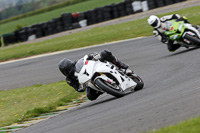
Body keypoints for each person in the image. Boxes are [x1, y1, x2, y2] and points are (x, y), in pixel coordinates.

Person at [58, 50, 129, 101]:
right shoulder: (69, 79)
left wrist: (94, 56)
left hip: (95, 68)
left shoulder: (77, 63)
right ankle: (103, 88)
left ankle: (120, 65)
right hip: (89, 82)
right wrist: (81, 87)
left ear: (71, 65)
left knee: (104, 53)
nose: (67, 72)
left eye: (67, 69)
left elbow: (87, 57)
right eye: (65, 71)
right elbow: (78, 88)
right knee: (90, 96)